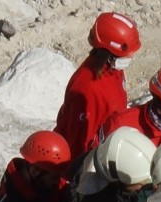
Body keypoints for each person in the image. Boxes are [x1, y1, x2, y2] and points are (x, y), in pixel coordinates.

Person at [55, 11, 141, 159]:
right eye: (128, 53)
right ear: (111, 52)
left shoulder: (112, 70)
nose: (132, 56)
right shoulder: (88, 89)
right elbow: (79, 142)